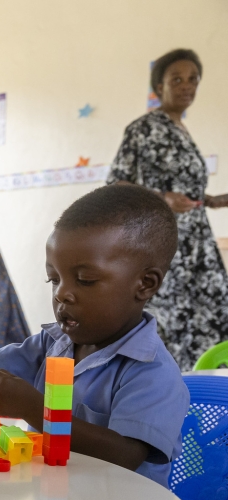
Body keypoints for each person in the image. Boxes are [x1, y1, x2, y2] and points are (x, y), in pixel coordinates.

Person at [0, 185, 189, 486]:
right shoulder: (54, 342)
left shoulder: (152, 373)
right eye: (54, 279)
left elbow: (124, 455)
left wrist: (33, 408)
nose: (62, 294)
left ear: (145, 285)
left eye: (85, 280)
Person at [107, 48, 228, 371]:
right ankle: (170, 406)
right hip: (165, 246)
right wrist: (162, 198)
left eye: (193, 80)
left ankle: (203, 398)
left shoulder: (183, 132)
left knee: (213, 319)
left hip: (199, 248)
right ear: (158, 87)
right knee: (172, 329)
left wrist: (211, 200)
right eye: (177, 79)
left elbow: (183, 188)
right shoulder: (143, 129)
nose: (187, 86)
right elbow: (115, 185)